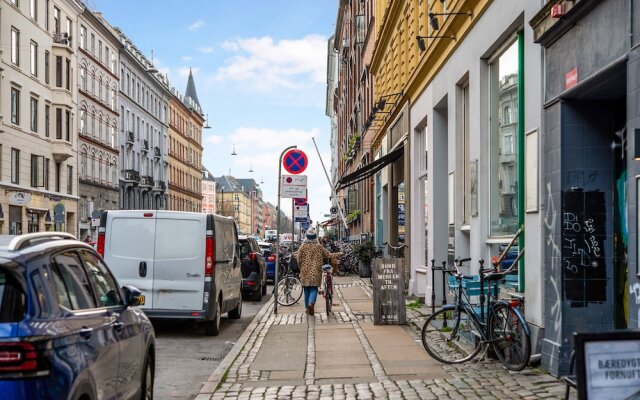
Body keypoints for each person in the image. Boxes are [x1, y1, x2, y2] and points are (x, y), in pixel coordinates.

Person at [296, 227, 341, 315]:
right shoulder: (319, 246)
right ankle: (311, 303)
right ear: (315, 237)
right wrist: (339, 254)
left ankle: (307, 308)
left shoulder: (302, 247)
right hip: (316, 271)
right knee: (314, 288)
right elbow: (328, 255)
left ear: (307, 237)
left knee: (306, 289)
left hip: (304, 271)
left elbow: (298, 259)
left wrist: (300, 268)